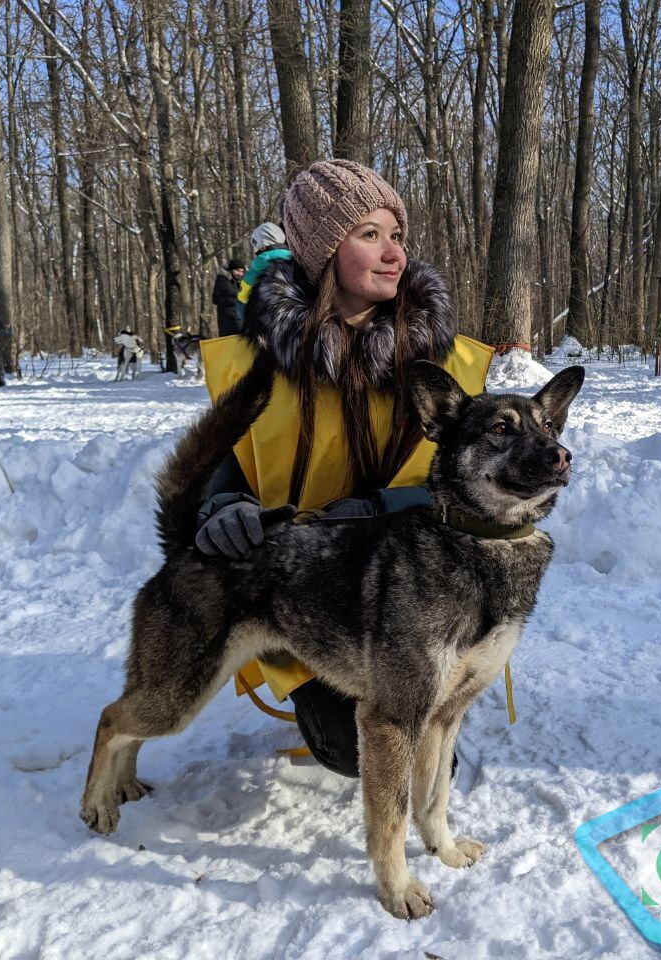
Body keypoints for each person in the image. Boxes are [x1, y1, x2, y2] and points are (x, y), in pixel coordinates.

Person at [195, 159, 494, 778]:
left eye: (397, 236)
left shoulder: (446, 367)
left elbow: (479, 496)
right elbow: (224, 468)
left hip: (414, 592)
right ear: (322, 251)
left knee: (416, 757)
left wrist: (381, 511)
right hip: (308, 594)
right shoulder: (256, 363)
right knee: (356, 752)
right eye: (369, 235)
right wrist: (221, 509)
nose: (393, 254)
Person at [236, 221, 293, 326]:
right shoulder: (300, 264)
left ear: (262, 247)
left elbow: (242, 309)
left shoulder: (253, 275)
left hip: (270, 334)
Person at [211, 257, 245, 337]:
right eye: (237, 270)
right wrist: (234, 301)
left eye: (242, 271)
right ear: (231, 269)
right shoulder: (223, 280)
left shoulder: (237, 282)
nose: (240, 273)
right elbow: (215, 299)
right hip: (228, 320)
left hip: (238, 317)